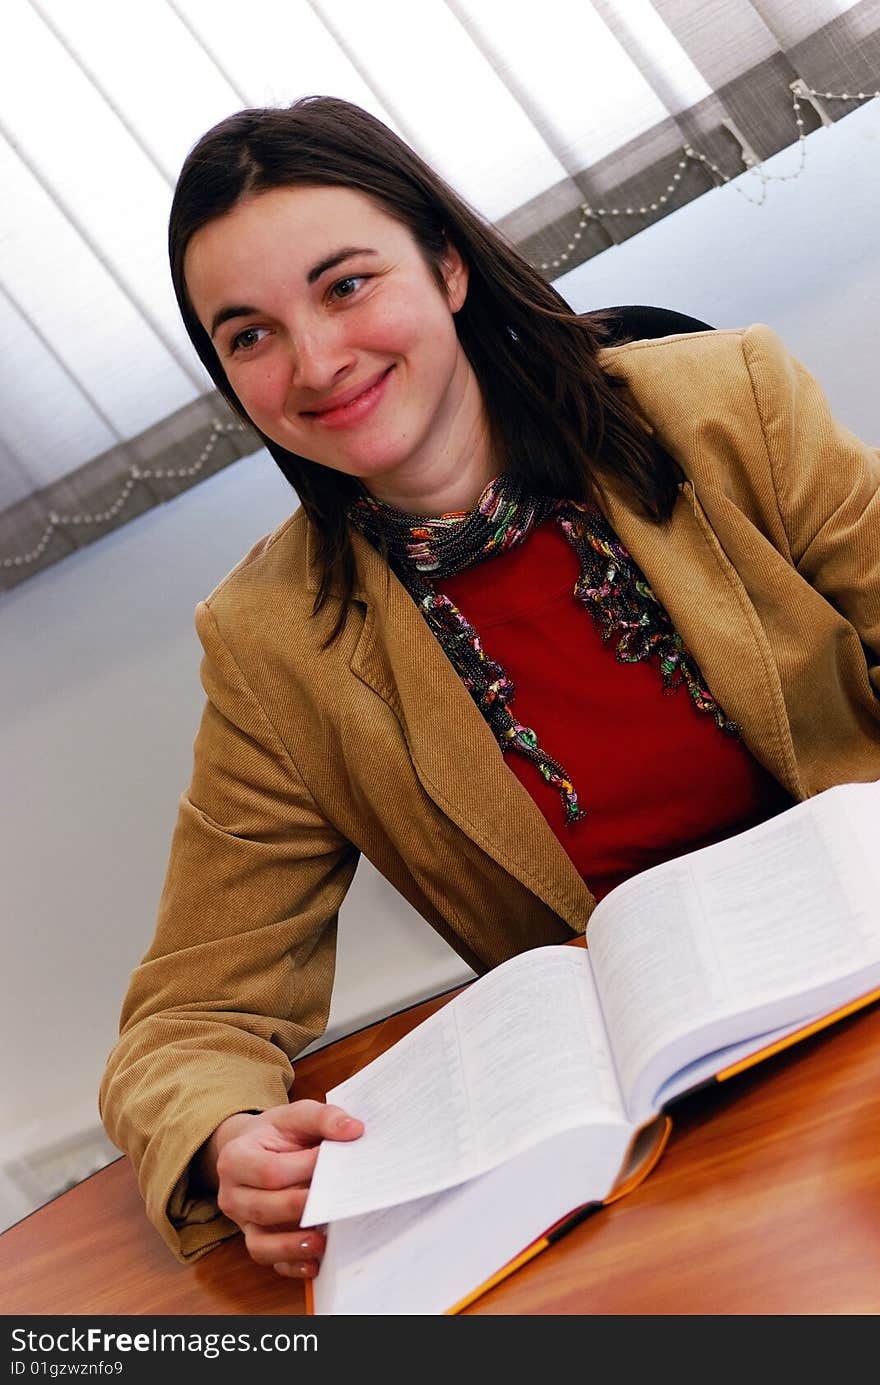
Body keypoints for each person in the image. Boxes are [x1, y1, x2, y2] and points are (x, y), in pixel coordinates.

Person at [99, 95, 880, 1283]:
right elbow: (186, 1018)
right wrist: (222, 1138)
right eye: (248, 334)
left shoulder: (732, 403)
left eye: (346, 284)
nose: (315, 362)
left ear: (448, 265)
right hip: (677, 1136)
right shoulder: (274, 645)